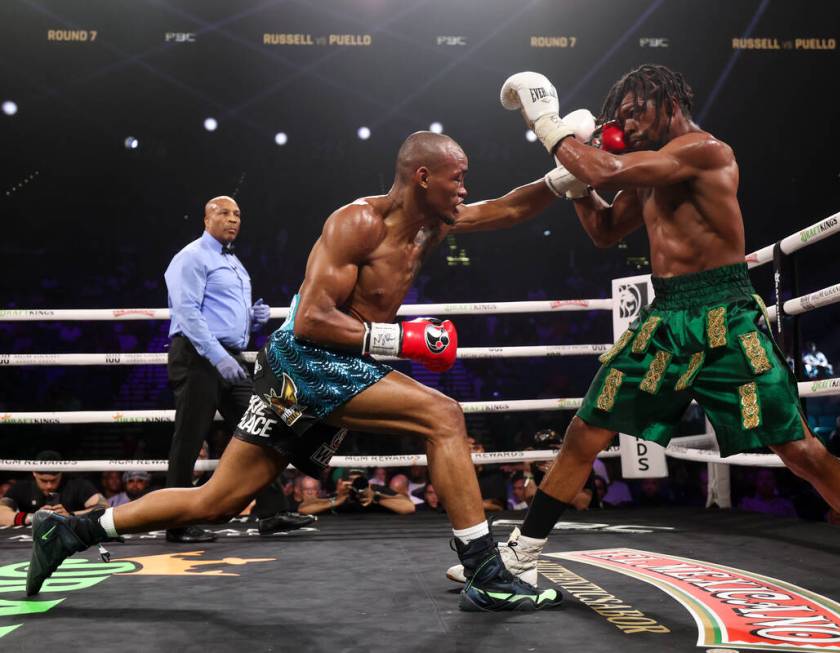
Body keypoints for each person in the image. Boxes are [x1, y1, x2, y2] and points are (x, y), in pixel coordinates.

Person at [480, 65, 840, 616]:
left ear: (666, 101)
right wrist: (576, 188)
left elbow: (603, 165)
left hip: (725, 314)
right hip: (666, 318)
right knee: (586, 431)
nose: (627, 124)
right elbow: (604, 231)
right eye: (619, 118)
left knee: (800, 450)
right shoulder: (647, 173)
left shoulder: (703, 150)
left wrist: (548, 122)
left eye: (635, 111)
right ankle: (523, 554)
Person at [27, 131, 573, 612]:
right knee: (444, 416)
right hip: (307, 361)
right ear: (422, 176)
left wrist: (563, 172)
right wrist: (398, 338)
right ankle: (485, 571)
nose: (463, 190)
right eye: (457, 179)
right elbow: (310, 318)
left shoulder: (435, 224)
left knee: (215, 500)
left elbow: (507, 208)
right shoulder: (357, 223)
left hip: (333, 364)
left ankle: (71, 530)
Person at [162, 195, 310, 542]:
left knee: (260, 428)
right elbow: (187, 313)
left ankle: (272, 512)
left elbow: (223, 313)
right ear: (206, 218)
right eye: (224, 213)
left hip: (230, 356)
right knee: (189, 438)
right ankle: (176, 522)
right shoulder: (190, 257)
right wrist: (218, 357)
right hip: (199, 356)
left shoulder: (235, 264)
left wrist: (252, 319)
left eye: (238, 214)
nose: (233, 219)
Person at [0, 451, 107, 526]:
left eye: (53, 480)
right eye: (44, 481)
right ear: (34, 473)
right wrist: (32, 518)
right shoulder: (22, 487)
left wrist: (71, 516)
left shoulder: (78, 484)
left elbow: (104, 508)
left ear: (61, 473)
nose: (49, 486)